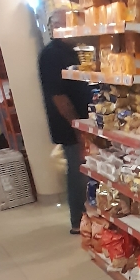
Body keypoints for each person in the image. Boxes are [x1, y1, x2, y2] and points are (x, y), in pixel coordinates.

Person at [38, 40, 91, 233]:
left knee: (82, 170)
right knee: (79, 171)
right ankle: (78, 221)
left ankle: (87, 218)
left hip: (81, 123)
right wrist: (78, 129)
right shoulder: (52, 54)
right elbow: (59, 97)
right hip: (69, 127)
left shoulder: (70, 51)